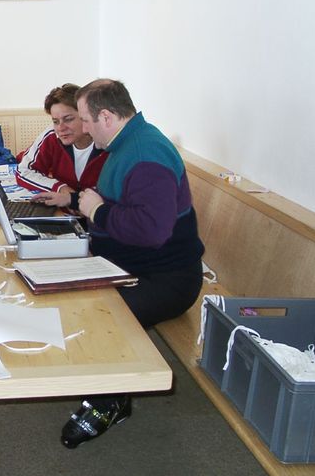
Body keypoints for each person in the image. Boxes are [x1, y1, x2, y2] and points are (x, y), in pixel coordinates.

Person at [59, 78, 205, 449]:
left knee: (103, 314)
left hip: (167, 279)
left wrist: (99, 212)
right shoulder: (127, 143)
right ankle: (108, 386)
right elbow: (122, 204)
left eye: (86, 120)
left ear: (107, 117)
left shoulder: (145, 155)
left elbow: (153, 230)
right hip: (131, 265)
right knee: (64, 289)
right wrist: (83, 206)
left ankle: (109, 403)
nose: (84, 128)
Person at [16, 83, 108, 214]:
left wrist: (76, 200)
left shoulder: (105, 143)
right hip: (63, 215)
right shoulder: (52, 136)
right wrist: (60, 188)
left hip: (98, 219)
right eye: (55, 121)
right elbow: (24, 170)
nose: (61, 128)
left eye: (68, 119)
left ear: (85, 116)